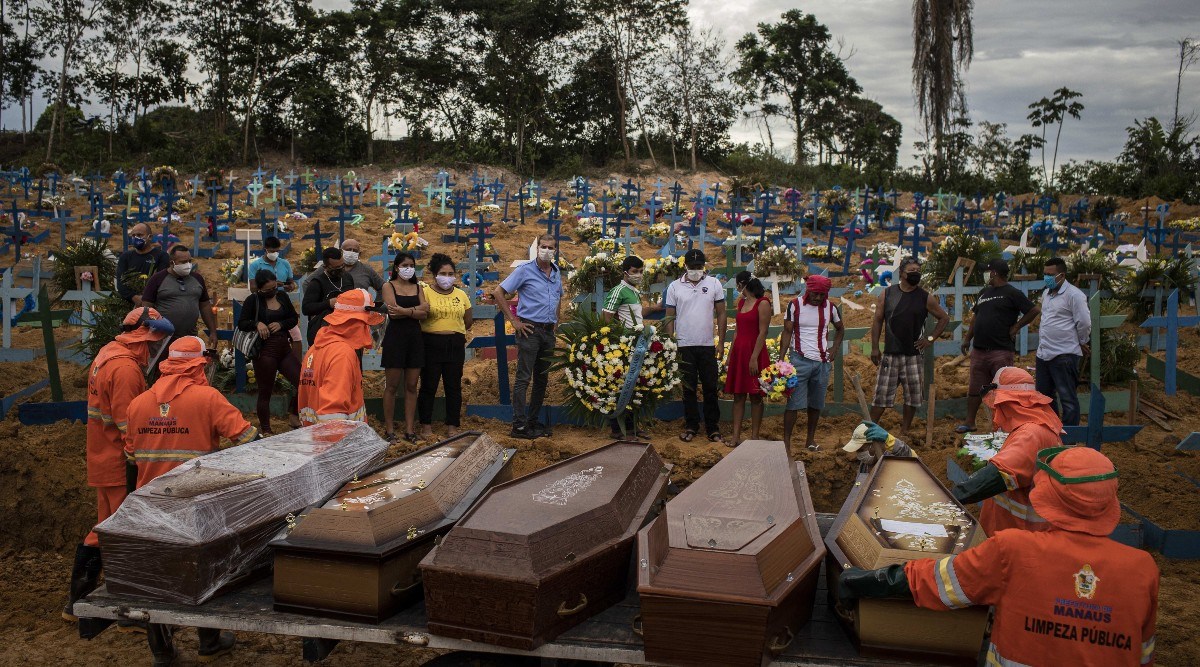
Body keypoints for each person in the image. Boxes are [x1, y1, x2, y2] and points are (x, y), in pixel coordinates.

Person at [838, 446, 1158, 667]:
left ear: (1047, 496)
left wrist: (869, 580)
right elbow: (1143, 653)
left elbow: (938, 582)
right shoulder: (1143, 570)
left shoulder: (1014, 550)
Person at [124, 336, 256, 666]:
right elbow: (250, 440)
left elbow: (130, 457)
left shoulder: (138, 404)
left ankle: (163, 652)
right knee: (207, 574)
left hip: (152, 506)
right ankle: (209, 640)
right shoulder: (208, 398)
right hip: (199, 506)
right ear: (199, 365)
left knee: (157, 579)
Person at [63, 307, 173, 623]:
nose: (155, 351)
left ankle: (77, 602)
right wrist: (141, 465)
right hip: (118, 461)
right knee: (128, 533)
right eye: (155, 343)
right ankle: (127, 610)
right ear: (143, 339)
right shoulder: (126, 370)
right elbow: (131, 426)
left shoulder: (107, 354)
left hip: (102, 456)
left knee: (104, 531)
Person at [950, 366, 1063, 535]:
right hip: (1017, 532)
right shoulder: (1035, 427)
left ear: (1006, 402)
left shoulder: (1030, 435)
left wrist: (949, 497)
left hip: (1019, 536)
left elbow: (999, 474)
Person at [957, 259, 1040, 433]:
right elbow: (975, 317)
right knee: (975, 388)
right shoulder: (984, 292)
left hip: (1001, 349)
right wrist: (967, 338)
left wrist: (1016, 326)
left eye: (987, 272)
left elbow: (1033, 310)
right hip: (979, 349)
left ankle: (1002, 425)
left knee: (1002, 389)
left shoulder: (1012, 293)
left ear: (994, 273)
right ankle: (970, 422)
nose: (985, 275)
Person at [493, 234, 563, 440]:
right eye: (543, 246)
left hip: (548, 331)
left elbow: (559, 296)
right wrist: (514, 321)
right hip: (529, 329)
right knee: (524, 377)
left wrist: (556, 322)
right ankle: (519, 425)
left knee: (542, 379)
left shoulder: (557, 272)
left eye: (551, 247)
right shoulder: (525, 270)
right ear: (537, 247)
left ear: (555, 250)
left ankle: (532, 421)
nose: (547, 250)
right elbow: (499, 292)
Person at [868, 257, 950, 432]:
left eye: (918, 271)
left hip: (913, 355)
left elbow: (944, 318)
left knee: (912, 396)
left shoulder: (925, 297)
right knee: (881, 396)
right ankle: (869, 429)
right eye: (912, 271)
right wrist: (875, 347)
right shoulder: (888, 294)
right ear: (902, 274)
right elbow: (877, 321)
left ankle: (905, 430)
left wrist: (930, 339)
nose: (915, 274)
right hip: (890, 354)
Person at [665, 249, 727, 444]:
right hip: (684, 345)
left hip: (707, 344)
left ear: (704, 266)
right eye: (692, 267)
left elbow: (722, 313)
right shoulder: (675, 287)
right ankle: (691, 425)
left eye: (699, 267)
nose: (696, 270)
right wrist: (670, 342)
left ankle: (712, 428)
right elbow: (669, 316)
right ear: (685, 266)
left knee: (710, 387)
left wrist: (721, 341)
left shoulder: (714, 283)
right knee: (688, 388)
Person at [297, 289, 383, 425]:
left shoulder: (317, 347)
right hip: (339, 441)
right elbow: (332, 415)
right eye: (366, 323)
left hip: (315, 439)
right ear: (356, 322)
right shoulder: (342, 355)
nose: (368, 329)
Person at [779, 274, 844, 453]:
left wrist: (834, 349)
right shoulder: (795, 305)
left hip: (822, 363)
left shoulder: (831, 308)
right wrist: (781, 358)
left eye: (822, 295)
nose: (818, 298)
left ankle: (810, 440)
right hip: (799, 361)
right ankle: (786, 444)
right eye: (815, 293)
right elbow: (787, 332)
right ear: (808, 290)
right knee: (793, 404)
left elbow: (840, 329)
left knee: (816, 404)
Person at [237, 270, 301, 436]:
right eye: (267, 290)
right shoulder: (253, 300)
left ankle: (294, 415)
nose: (272, 291)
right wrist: (257, 323)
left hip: (284, 347)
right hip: (265, 351)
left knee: (303, 382)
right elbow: (242, 323)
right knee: (265, 391)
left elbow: (293, 318)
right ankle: (266, 429)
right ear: (258, 289)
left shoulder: (282, 297)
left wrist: (281, 324)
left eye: (275, 287)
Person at [419, 253, 473, 441]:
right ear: (434, 274)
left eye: (451, 274)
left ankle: (452, 425)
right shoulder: (425, 292)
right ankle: (426, 425)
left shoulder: (461, 294)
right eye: (443, 273)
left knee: (453, 386)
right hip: (431, 344)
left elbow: (468, 320)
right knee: (429, 385)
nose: (447, 277)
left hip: (455, 344)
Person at [1036, 256, 1091, 426]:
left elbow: (1083, 321)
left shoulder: (1074, 295)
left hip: (1064, 355)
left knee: (1067, 399)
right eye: (1045, 274)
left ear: (1062, 275)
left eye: (1050, 274)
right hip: (1044, 354)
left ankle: (1069, 439)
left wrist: (1082, 341)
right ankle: (1053, 431)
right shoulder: (1046, 293)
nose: (1047, 278)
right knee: (1044, 397)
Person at [380, 253, 428, 442]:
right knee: (391, 385)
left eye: (412, 265)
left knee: (411, 385)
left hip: (415, 338)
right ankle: (389, 428)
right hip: (395, 338)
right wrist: (415, 312)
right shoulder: (388, 286)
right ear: (396, 267)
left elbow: (426, 313)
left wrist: (405, 311)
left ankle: (409, 429)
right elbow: (393, 313)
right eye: (405, 265)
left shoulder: (418, 287)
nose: (409, 268)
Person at [601, 255, 649, 439]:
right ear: (625, 272)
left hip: (636, 344)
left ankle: (632, 426)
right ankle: (617, 428)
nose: (638, 275)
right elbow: (606, 318)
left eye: (640, 272)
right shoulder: (618, 291)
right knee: (621, 386)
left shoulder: (634, 292)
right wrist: (616, 341)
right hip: (623, 346)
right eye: (634, 272)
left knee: (633, 385)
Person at [724, 273, 771, 447]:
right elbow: (737, 330)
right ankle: (735, 437)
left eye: (738, 286)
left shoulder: (763, 303)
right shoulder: (742, 303)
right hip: (740, 352)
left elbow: (763, 332)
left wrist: (754, 358)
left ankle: (755, 437)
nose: (737, 289)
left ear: (743, 284)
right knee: (738, 395)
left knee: (756, 395)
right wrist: (730, 354)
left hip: (755, 352)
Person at [140, 245, 218, 348]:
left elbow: (205, 306)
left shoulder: (197, 279)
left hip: (189, 337)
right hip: (162, 339)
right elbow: (146, 308)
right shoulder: (157, 279)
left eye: (189, 261)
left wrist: (212, 331)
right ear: (172, 262)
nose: (188, 265)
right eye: (183, 262)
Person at [301, 246, 353, 345]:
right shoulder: (316, 283)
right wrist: (328, 303)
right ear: (325, 267)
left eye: (342, 266)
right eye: (336, 268)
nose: (341, 269)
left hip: (347, 328)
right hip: (324, 332)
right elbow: (306, 308)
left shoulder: (347, 277)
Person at [114, 222, 169, 304]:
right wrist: (133, 297)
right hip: (130, 303)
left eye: (140, 235)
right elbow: (120, 282)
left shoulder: (161, 256)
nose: (136, 238)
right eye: (133, 236)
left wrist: (147, 298)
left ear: (149, 237)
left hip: (154, 303)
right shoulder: (125, 257)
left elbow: (161, 280)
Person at [841, 420, 915, 467]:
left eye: (861, 450)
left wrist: (889, 439)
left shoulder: (893, 461)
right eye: (857, 450)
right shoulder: (865, 465)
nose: (859, 454)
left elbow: (912, 459)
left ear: (875, 445)